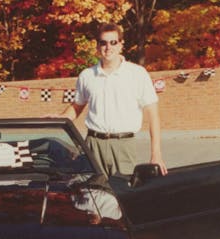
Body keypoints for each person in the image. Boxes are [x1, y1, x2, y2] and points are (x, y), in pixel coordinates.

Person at [60, 22, 167, 177]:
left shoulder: (137, 74)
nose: (108, 47)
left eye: (113, 42)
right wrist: (59, 118)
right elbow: (77, 106)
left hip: (124, 146)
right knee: (93, 194)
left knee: (124, 195)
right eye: (103, 43)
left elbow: (153, 116)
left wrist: (156, 154)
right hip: (93, 145)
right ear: (97, 46)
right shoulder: (87, 75)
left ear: (121, 45)